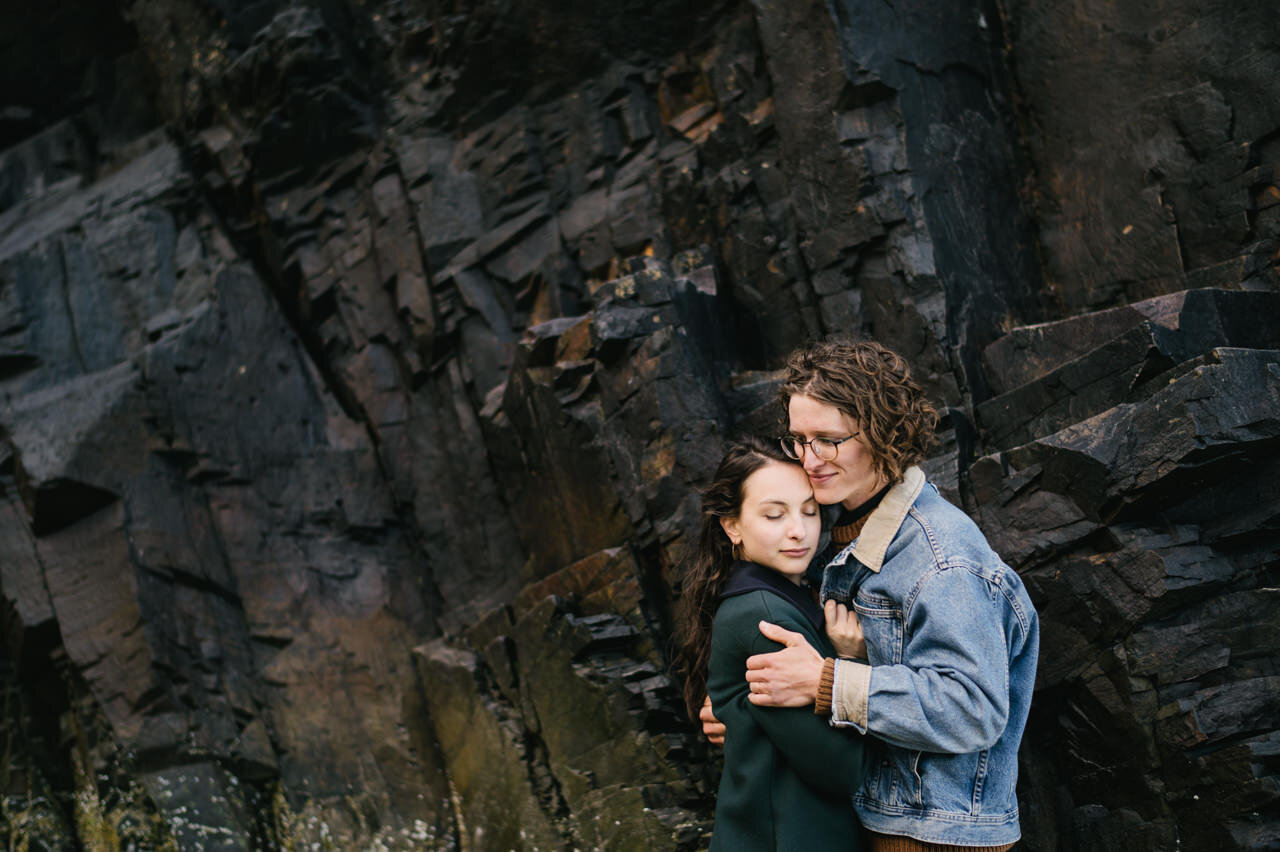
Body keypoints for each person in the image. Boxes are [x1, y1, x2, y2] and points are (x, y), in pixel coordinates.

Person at [706, 341, 1039, 851]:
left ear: (884, 434)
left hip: (937, 836)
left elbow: (974, 708)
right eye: (798, 439)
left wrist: (828, 680)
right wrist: (746, 712)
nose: (809, 459)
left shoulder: (942, 560)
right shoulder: (831, 531)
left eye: (828, 440)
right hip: (875, 823)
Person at [676, 436, 873, 850]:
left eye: (809, 510)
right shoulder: (766, 620)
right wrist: (849, 663)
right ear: (732, 526)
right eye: (773, 515)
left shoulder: (783, 592)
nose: (798, 531)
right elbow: (842, 769)